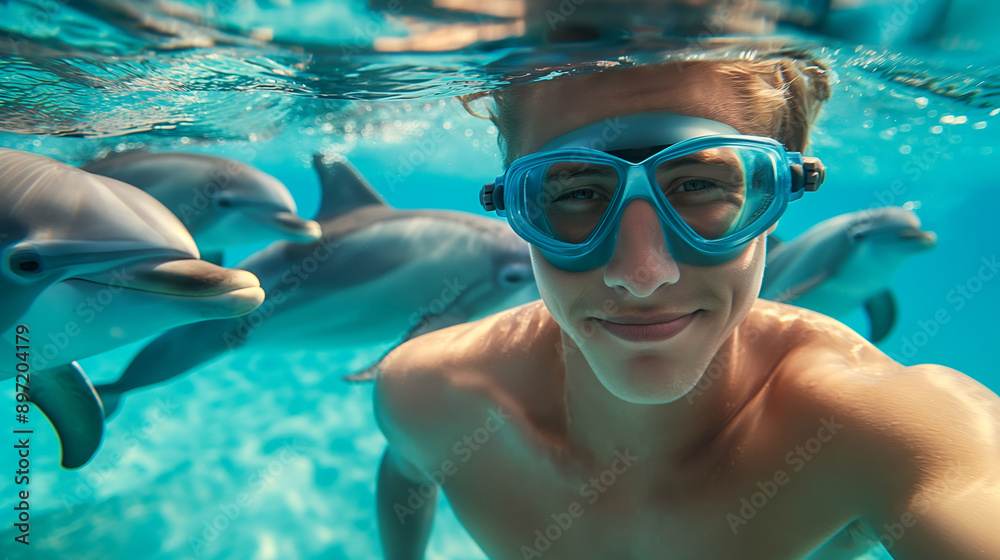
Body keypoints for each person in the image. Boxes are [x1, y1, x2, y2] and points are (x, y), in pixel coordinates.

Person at [371, 54, 1000, 560]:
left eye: (698, 186)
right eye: (577, 192)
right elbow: (406, 472)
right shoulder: (429, 392)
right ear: (516, 207)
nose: (642, 273)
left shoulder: (886, 433)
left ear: (775, 196)